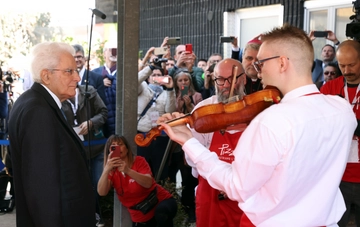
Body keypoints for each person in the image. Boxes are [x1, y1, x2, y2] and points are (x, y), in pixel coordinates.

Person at [159, 24, 357, 227]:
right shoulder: (343, 110)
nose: (257, 70)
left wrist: (188, 141)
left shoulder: (271, 121)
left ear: (282, 63)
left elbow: (237, 186)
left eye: (261, 62)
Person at [8, 42, 95, 226]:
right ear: (46, 76)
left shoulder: (33, 102)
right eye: (69, 71)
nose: (77, 78)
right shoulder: (38, 111)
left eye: (76, 70)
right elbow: (42, 189)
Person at [172, 58, 246, 227]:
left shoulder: (256, 110)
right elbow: (192, 158)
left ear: (243, 79)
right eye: (220, 79)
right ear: (214, 80)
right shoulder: (204, 111)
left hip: (244, 197)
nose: (226, 85)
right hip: (211, 193)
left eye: (232, 78)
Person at [320, 40, 360, 227]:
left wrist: (344, 123)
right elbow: (321, 126)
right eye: (342, 65)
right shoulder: (328, 89)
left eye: (351, 65)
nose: (346, 70)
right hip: (337, 175)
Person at [97, 135, 177, 227]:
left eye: (120, 144)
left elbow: (148, 183)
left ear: (127, 149)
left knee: (162, 214)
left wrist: (128, 171)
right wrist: (106, 169)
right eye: (113, 146)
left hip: (160, 201)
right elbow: (102, 192)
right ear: (109, 151)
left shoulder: (139, 161)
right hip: (140, 213)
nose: (118, 148)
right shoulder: (111, 171)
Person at [61, 84, 108, 226]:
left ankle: (94, 214)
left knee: (97, 183)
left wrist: (91, 123)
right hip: (74, 151)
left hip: (96, 149)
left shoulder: (89, 91)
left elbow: (103, 112)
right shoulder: (59, 95)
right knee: (78, 185)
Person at [168, 68, 202, 222]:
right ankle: (174, 208)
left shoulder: (197, 96)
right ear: (176, 82)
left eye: (186, 80)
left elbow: (198, 119)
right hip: (173, 144)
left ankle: (189, 209)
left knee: (188, 177)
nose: (183, 83)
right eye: (180, 80)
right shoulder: (172, 97)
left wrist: (190, 105)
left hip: (189, 140)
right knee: (171, 175)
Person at [137, 64, 176, 181]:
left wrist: (170, 89)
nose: (156, 77)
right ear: (148, 77)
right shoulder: (142, 87)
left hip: (159, 136)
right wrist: (150, 68)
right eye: (153, 75)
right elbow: (134, 82)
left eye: (159, 75)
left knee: (160, 171)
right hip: (141, 134)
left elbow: (170, 111)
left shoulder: (166, 93)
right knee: (141, 168)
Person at [92, 42, 117, 137]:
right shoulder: (94, 73)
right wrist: (100, 84)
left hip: (119, 118)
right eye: (111, 49)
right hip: (100, 120)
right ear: (104, 53)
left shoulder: (125, 74)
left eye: (116, 50)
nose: (114, 52)